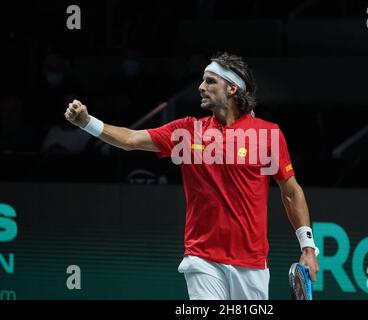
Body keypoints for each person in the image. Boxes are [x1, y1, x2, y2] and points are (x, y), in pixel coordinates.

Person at [64, 52, 319, 300]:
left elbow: (291, 191)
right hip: (202, 259)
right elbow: (131, 139)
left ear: (232, 89)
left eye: (210, 81)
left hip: (251, 263)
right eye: (202, 80)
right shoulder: (187, 131)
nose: (201, 87)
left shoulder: (267, 135)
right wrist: (88, 122)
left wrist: (308, 246)